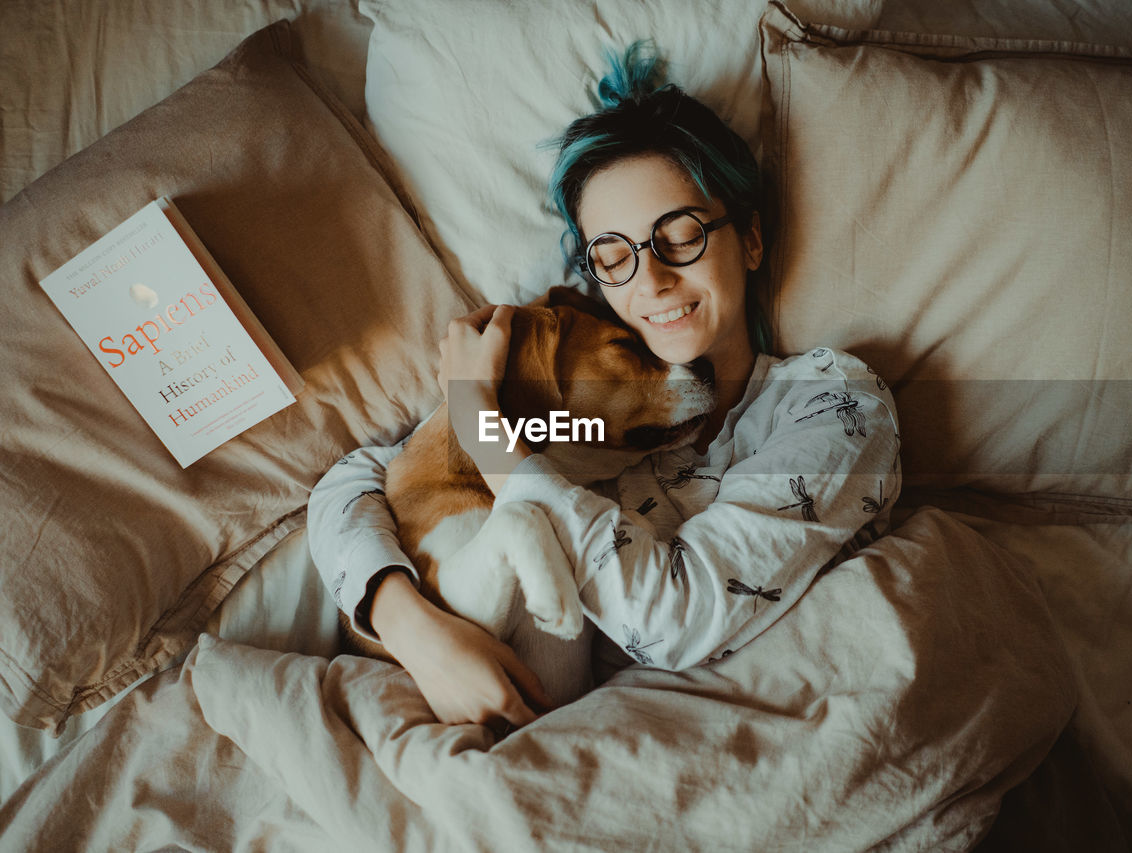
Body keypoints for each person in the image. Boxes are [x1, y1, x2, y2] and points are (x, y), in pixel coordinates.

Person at [307, 42, 900, 732]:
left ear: (751, 239)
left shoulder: (834, 406)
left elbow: (676, 620)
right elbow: (355, 481)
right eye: (614, 257)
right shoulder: (593, 423)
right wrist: (409, 624)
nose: (650, 282)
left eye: (681, 236)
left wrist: (480, 421)